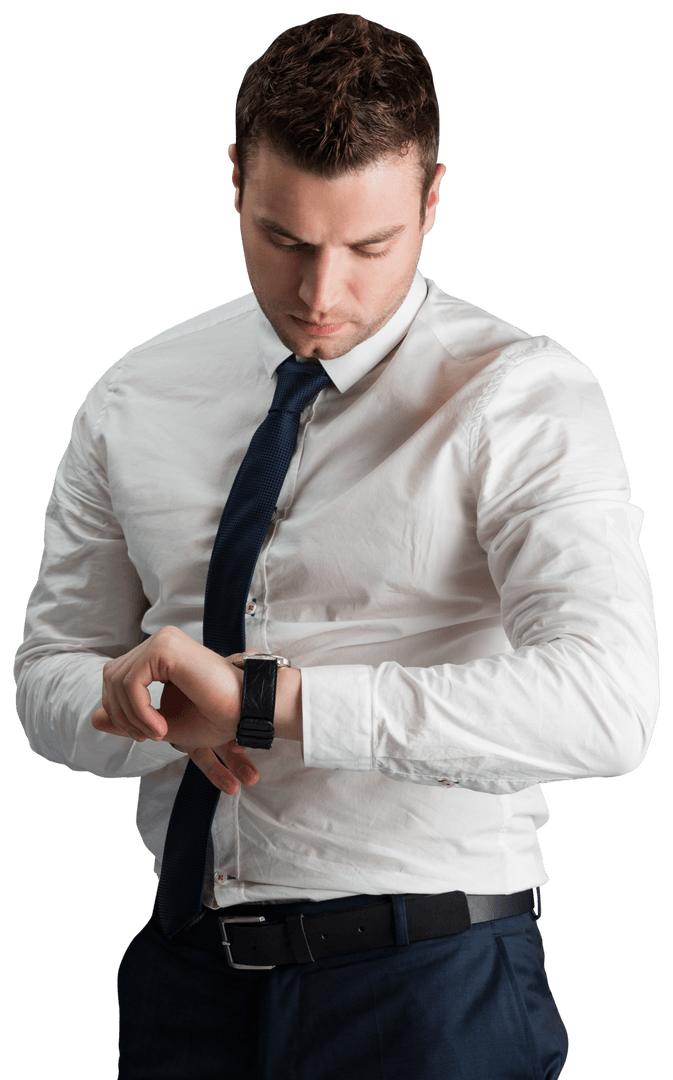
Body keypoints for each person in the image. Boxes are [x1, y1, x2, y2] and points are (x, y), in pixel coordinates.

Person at [14, 12, 658, 1080]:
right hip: (186, 982)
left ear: (432, 201)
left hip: (431, 986)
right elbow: (46, 677)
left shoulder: (520, 396)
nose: (322, 294)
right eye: (285, 240)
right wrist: (148, 708)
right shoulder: (134, 395)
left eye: (368, 248)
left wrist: (266, 703)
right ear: (234, 180)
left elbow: (607, 702)